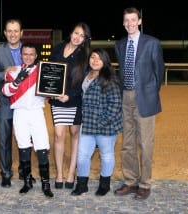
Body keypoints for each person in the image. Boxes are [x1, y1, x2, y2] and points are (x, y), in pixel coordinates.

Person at [114, 7, 164, 200]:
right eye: (126, 20)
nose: (130, 24)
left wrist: (150, 92)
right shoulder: (119, 44)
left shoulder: (152, 43)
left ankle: (145, 183)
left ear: (140, 21)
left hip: (145, 97)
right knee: (127, 143)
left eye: (133, 20)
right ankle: (130, 181)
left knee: (145, 143)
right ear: (123, 23)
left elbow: (158, 72)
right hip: (125, 96)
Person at [2, 42, 53, 197]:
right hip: (20, 113)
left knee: (42, 148)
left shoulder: (43, 70)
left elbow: (49, 91)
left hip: (37, 112)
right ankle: (27, 181)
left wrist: (52, 91)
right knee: (24, 147)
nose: (28, 57)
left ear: (36, 56)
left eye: (32, 54)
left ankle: (46, 184)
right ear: (21, 55)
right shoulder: (13, 71)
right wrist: (18, 80)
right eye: (25, 54)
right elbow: (5, 91)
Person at [0, 19, 36, 187]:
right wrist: (5, 73)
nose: (12, 34)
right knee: (4, 140)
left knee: (26, 140)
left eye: (16, 31)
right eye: (9, 31)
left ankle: (25, 171)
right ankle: (6, 173)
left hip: (26, 104)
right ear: (5, 32)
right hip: (4, 103)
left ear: (21, 32)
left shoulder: (29, 50)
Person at [71, 48, 122, 196]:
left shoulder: (110, 79)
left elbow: (115, 105)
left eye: (99, 58)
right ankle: (82, 184)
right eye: (93, 57)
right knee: (82, 155)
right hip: (87, 123)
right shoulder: (87, 75)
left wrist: (102, 122)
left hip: (105, 125)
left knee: (106, 155)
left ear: (105, 61)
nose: (95, 60)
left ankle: (104, 185)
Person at [48, 22, 91, 189]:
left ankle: (71, 172)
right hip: (57, 100)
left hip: (75, 100)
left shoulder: (85, 56)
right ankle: (59, 173)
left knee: (74, 134)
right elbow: (49, 71)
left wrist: (70, 95)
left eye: (82, 35)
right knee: (59, 135)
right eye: (76, 33)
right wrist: (49, 90)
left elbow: (84, 82)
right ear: (71, 33)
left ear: (85, 39)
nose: (77, 37)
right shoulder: (58, 48)